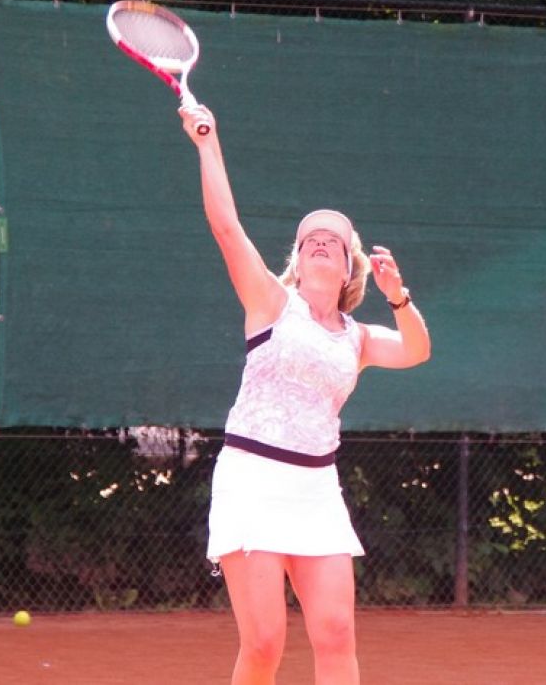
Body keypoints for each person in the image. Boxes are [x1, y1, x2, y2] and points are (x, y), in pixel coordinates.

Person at [179, 101, 431, 685]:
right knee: (265, 643)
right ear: (295, 259)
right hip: (252, 479)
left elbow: (417, 350)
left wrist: (398, 297)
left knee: (337, 635)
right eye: (310, 239)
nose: (321, 243)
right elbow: (226, 227)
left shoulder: (358, 338)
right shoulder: (271, 302)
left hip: (316, 489)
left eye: (333, 242)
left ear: (348, 269)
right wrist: (207, 143)